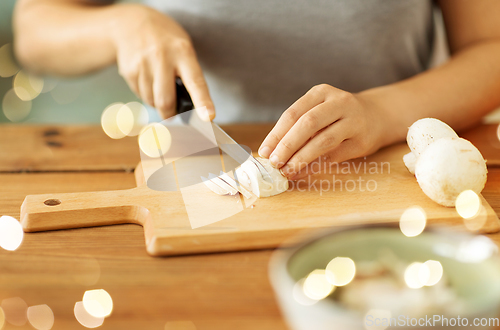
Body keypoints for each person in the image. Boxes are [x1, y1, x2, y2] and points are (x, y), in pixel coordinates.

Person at [13, 0, 500, 180]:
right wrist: (119, 24)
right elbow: (32, 26)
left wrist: (381, 111)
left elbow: (491, 48)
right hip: (188, 165)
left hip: (385, 172)